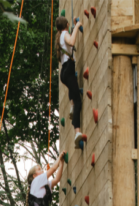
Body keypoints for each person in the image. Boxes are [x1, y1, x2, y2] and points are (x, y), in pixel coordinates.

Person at [55, 16, 83, 149]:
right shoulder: (65, 35)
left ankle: (72, 105)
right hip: (69, 70)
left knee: (73, 90)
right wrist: (77, 26)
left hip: (64, 72)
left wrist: (73, 26)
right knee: (78, 101)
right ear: (66, 25)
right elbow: (71, 42)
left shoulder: (60, 36)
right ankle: (77, 132)